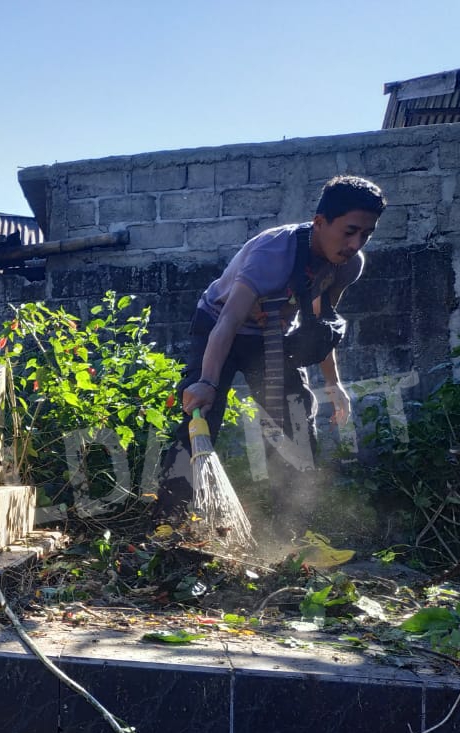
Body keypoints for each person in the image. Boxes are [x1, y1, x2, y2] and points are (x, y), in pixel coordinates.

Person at [157, 175, 387, 539]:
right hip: (219, 325)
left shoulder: (347, 265)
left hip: (269, 337)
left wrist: (334, 383)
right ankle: (167, 524)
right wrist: (207, 382)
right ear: (319, 222)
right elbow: (229, 321)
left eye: (366, 234)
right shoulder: (272, 254)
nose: (355, 243)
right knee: (203, 413)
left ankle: (290, 536)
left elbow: (319, 324)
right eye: (349, 231)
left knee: (295, 414)